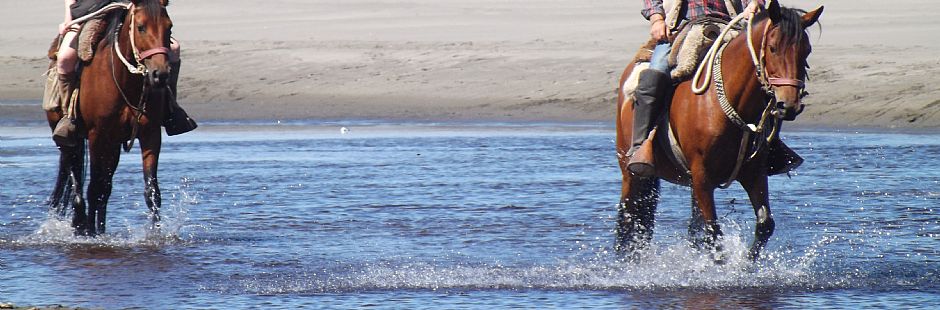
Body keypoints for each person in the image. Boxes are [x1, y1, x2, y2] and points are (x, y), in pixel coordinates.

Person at [629, 0, 802, 176]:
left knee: (764, 73)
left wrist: (754, 3)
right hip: (679, 28)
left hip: (729, 26)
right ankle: (640, 146)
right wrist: (657, 19)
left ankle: (771, 144)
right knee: (655, 75)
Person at [50, 0, 196, 147]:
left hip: (134, 9)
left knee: (174, 49)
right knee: (65, 58)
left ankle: (170, 107)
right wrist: (69, 19)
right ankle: (68, 115)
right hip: (92, 11)